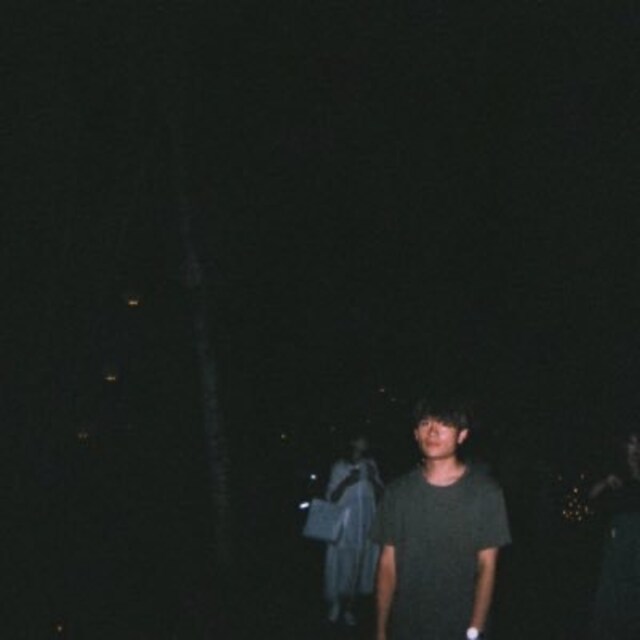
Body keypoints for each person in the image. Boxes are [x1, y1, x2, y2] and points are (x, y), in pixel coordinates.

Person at [370, 398, 511, 640]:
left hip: (460, 625)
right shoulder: (397, 493)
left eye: (444, 424)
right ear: (415, 433)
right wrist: (381, 631)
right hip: (407, 625)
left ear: (462, 435)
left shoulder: (486, 493)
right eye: (425, 423)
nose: (433, 431)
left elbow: (487, 567)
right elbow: (387, 565)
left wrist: (475, 630)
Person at [324, 433, 384, 626]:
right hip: (344, 524)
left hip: (365, 523)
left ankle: (349, 607)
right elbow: (331, 497)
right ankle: (335, 603)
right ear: (352, 442)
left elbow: (381, 494)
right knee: (341, 564)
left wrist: (373, 478)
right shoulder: (340, 466)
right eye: (360, 438)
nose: (365, 441)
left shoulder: (370, 464)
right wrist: (348, 481)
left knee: (360, 565)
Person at [589, 428, 640, 640]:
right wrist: (605, 482)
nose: (635, 449)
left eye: (638, 443)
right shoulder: (617, 474)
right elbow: (590, 497)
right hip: (617, 546)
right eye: (631, 443)